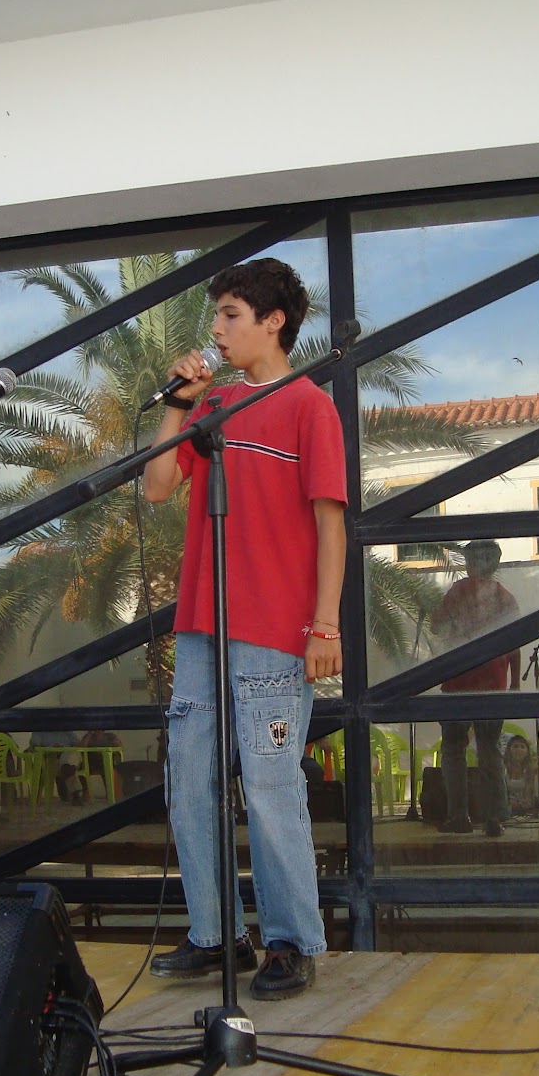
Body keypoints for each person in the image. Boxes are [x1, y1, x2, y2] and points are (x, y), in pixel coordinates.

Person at [141, 258, 345, 1001]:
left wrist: (326, 626)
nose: (218, 329)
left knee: (268, 783)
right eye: (217, 316)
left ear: (273, 321)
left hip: (274, 628)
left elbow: (331, 524)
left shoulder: (309, 406)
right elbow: (158, 487)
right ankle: (215, 930)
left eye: (231, 314)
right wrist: (178, 405)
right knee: (190, 777)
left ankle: (291, 940)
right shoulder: (215, 406)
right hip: (202, 624)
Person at [429, 539, 520, 836]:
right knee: (490, 750)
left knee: (454, 748)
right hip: (495, 681)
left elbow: (437, 626)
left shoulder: (459, 591)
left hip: (458, 679)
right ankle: (495, 817)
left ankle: (459, 816)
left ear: (471, 563)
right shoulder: (506, 597)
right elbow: (516, 641)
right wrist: (515, 683)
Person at [502, 732, 536, 814]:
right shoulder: (503, 769)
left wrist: (527, 802)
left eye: (522, 747)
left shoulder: (531, 770)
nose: (519, 749)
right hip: (506, 809)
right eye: (515, 746)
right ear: (509, 750)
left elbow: (531, 793)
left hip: (526, 811)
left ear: (527, 751)